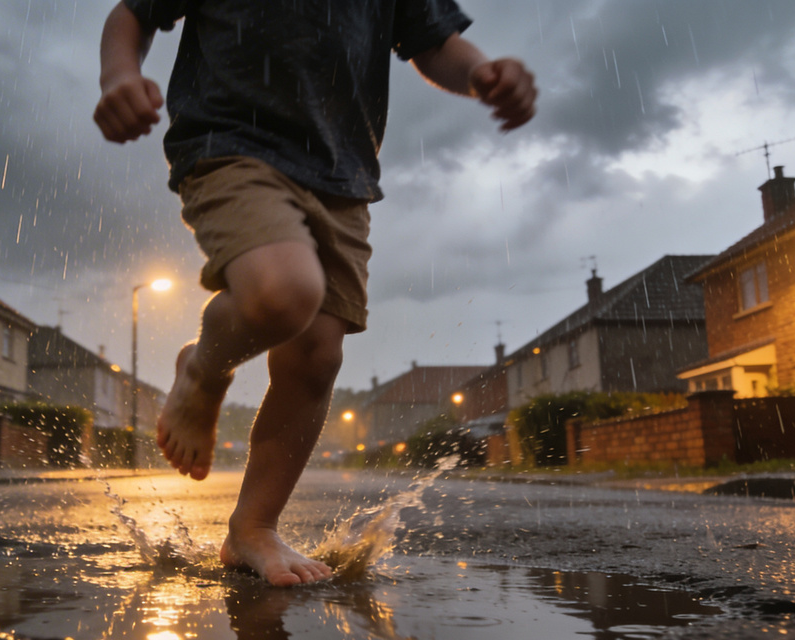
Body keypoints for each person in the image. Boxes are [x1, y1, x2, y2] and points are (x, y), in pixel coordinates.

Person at [93, 0, 536, 587]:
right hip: (232, 144)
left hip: (342, 178)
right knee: (284, 291)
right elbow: (133, 13)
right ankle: (203, 370)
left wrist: (482, 71)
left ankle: (253, 526)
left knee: (317, 353)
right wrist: (119, 76)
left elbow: (435, 41)